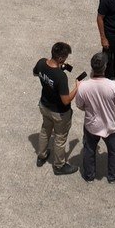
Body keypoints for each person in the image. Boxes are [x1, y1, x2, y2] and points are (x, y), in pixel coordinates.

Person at [74, 50, 115, 183]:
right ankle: (113, 175)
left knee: (89, 150)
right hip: (111, 126)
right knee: (114, 151)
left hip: (91, 126)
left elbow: (79, 105)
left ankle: (89, 175)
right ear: (105, 67)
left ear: (92, 67)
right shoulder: (113, 86)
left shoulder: (83, 86)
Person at [33, 42, 79, 173]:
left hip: (44, 105)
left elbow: (35, 73)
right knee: (60, 137)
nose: (65, 60)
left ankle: (41, 155)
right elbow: (65, 100)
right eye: (65, 58)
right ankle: (59, 166)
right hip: (59, 113)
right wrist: (77, 87)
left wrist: (51, 76)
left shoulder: (41, 62)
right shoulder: (61, 77)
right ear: (60, 58)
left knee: (45, 130)